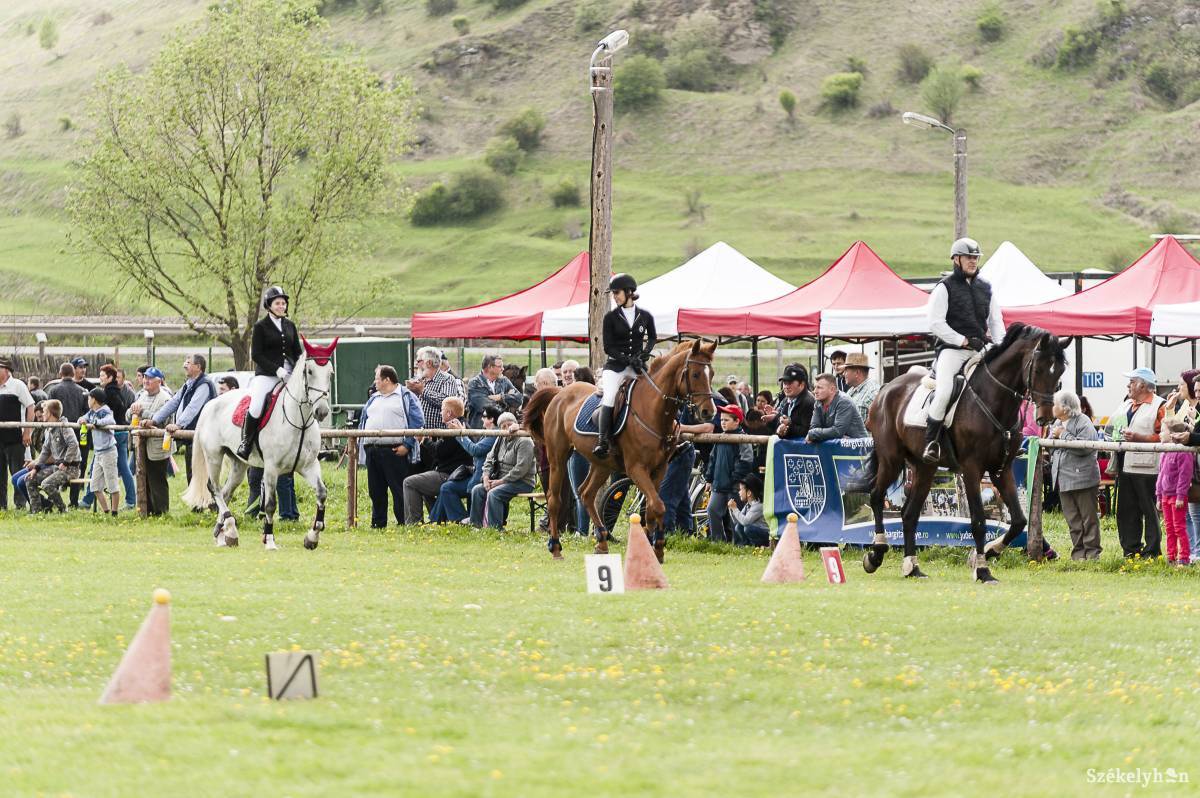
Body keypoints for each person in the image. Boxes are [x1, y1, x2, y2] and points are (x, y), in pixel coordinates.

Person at [923, 237, 1005, 463]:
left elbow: (996, 322)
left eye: (976, 258)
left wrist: (1001, 348)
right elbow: (936, 323)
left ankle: (1005, 436)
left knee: (1000, 385)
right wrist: (962, 341)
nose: (973, 261)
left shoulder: (985, 288)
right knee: (945, 390)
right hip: (952, 350)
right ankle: (931, 442)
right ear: (956, 259)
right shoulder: (944, 287)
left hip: (981, 348)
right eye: (969, 257)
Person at [594, 273, 656, 459]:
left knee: (656, 392)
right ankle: (603, 441)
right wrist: (627, 359)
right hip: (615, 367)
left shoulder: (645, 316)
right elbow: (608, 347)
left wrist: (645, 352)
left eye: (617, 293)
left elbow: (652, 337)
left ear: (629, 292)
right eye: (613, 293)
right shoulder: (610, 318)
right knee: (611, 395)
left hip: (638, 366)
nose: (615, 296)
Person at [239, 286, 302, 460]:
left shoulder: (290, 326)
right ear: (269, 305)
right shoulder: (260, 327)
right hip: (267, 375)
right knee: (257, 405)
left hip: (289, 375)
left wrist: (299, 368)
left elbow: (297, 352)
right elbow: (256, 355)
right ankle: (246, 442)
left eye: (283, 303)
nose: (281, 306)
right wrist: (277, 369)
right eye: (277, 303)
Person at [359, 365, 424, 528]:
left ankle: (404, 522)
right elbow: (364, 420)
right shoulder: (374, 398)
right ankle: (378, 523)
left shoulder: (406, 396)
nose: (375, 382)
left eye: (377, 378)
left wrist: (407, 445)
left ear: (387, 379)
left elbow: (417, 422)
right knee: (376, 490)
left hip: (394, 450)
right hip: (372, 450)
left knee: (398, 489)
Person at [1116, 367, 1165, 559]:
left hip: (1148, 467)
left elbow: (1164, 437)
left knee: (1149, 510)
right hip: (1125, 463)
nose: (1128, 385)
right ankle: (1130, 550)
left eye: (1132, 381)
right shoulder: (1126, 404)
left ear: (1143, 385)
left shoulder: (1159, 405)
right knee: (1126, 510)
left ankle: (1151, 552)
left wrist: (1139, 437)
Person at [403, 396, 474, 525]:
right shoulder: (464, 425)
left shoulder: (454, 428)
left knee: (410, 482)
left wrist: (424, 440)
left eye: (442, 410)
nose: (440, 412)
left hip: (450, 475)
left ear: (449, 413)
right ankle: (437, 520)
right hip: (455, 473)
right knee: (421, 483)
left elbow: (439, 452)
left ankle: (413, 523)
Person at [1049, 390, 1101, 561]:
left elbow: (1086, 447)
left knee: (1088, 519)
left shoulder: (1083, 421)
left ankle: (1092, 554)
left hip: (1083, 479)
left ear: (1065, 407)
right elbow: (1052, 447)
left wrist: (1063, 435)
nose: (1053, 407)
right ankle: (1078, 555)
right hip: (1063, 479)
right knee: (1073, 520)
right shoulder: (1057, 423)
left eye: (1056, 404)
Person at [149, 354, 217, 484]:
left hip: (203, 437)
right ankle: (197, 503)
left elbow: (193, 407)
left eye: (188, 362)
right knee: (192, 473)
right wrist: (154, 420)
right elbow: (173, 402)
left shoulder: (204, 384)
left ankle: (207, 502)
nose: (184, 365)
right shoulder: (189, 384)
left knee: (201, 475)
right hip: (192, 438)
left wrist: (178, 425)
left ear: (198, 367)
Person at [434, 405, 500, 523]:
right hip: (476, 476)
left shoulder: (494, 435)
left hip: (482, 478)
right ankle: (460, 519)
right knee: (447, 487)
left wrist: (461, 434)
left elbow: (474, 450)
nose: (481, 419)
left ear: (491, 419)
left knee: (447, 487)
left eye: (484, 416)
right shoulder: (487, 433)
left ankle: (461, 520)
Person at [469, 412, 536, 529]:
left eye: (509, 424)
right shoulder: (500, 438)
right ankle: (476, 526)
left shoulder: (524, 441)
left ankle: (495, 528)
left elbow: (521, 469)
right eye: (503, 426)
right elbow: (489, 459)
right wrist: (486, 477)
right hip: (500, 479)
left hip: (522, 482)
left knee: (494, 493)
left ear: (515, 424)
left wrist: (500, 482)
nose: (507, 429)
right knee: (477, 490)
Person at [705, 404, 754, 543]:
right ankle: (718, 542)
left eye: (726, 420)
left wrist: (735, 479)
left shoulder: (743, 438)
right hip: (719, 485)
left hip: (735, 486)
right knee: (712, 510)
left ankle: (739, 544)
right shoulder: (720, 438)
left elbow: (746, 461)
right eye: (721, 420)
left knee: (735, 516)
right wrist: (709, 479)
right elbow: (712, 459)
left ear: (737, 421)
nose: (723, 423)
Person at [129, 367, 173, 516]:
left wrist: (143, 413)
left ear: (158, 381)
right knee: (143, 478)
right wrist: (132, 411)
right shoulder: (141, 395)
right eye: (145, 378)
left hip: (158, 446)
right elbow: (129, 414)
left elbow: (163, 420)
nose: (146, 381)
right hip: (142, 445)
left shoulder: (165, 398)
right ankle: (147, 510)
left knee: (157, 480)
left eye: (150, 379)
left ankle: (161, 511)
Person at [26, 399, 80, 514]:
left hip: (70, 468)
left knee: (46, 484)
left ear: (50, 413)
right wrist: (36, 468)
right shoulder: (49, 429)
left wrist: (66, 462)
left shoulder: (64, 426)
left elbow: (73, 444)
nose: (43, 414)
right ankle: (37, 512)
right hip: (57, 467)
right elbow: (45, 451)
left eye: (44, 411)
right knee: (29, 479)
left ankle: (62, 509)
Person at [98, 364, 135, 510]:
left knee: (98, 462)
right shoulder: (115, 390)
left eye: (102, 376)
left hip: (115, 433)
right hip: (122, 431)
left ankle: (88, 498)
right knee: (124, 468)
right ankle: (131, 500)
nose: (100, 378)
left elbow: (113, 411)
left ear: (110, 378)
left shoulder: (109, 392)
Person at [0, 358, 35, 511]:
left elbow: (30, 407)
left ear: (6, 370)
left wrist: (27, 431)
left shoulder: (18, 385)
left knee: (17, 473)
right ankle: (2, 505)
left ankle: (20, 505)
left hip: (15, 438)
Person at [1157, 419, 1193, 566]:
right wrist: (1159, 495)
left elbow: (1184, 476)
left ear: (1172, 434)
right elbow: (1161, 475)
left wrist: (1180, 496)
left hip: (1177, 497)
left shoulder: (1183, 453)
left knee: (1179, 527)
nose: (1159, 434)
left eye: (1162, 431)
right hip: (1165, 495)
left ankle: (1184, 558)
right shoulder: (1165, 452)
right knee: (1169, 528)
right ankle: (1171, 556)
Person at [81, 388, 120, 517]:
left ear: (94, 400)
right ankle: (106, 511)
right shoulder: (91, 412)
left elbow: (110, 421)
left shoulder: (105, 411)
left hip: (108, 452)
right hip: (98, 453)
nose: (87, 400)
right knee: (95, 486)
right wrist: (82, 421)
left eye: (89, 398)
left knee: (112, 482)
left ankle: (114, 512)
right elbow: (82, 418)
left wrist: (96, 423)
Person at [408, 347, 462, 433]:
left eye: (418, 361)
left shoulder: (447, 379)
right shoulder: (418, 380)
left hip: (439, 436)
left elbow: (447, 402)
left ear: (429, 363)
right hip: (418, 435)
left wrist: (423, 391)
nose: (416, 364)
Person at [807, 373, 868, 442]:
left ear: (832, 389)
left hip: (859, 449)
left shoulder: (844, 401)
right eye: (815, 387)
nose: (815, 391)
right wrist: (814, 433)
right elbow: (814, 427)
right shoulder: (818, 402)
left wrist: (813, 434)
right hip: (837, 448)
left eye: (819, 387)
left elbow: (837, 431)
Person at [465, 355, 521, 429]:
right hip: (481, 431)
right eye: (500, 366)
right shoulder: (475, 383)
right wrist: (507, 403)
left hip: (502, 430)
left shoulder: (504, 381)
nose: (503, 369)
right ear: (490, 367)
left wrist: (501, 397)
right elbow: (486, 407)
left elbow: (519, 399)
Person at [768, 363, 814, 440]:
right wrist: (779, 426)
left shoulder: (808, 402)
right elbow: (782, 424)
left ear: (802, 384)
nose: (786, 386)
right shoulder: (787, 400)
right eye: (784, 383)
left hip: (804, 450)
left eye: (790, 383)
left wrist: (788, 426)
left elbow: (808, 431)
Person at [728, 473, 769, 547]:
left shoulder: (758, 505)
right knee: (738, 527)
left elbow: (745, 521)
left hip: (765, 535)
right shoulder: (748, 505)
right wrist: (732, 509)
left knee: (747, 528)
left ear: (749, 493)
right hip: (755, 531)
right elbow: (738, 521)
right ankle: (747, 545)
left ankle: (758, 546)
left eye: (741, 490)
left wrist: (735, 508)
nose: (739, 492)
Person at [842, 354, 879, 423]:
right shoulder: (851, 391)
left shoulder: (873, 393)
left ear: (857, 373)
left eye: (846, 370)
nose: (844, 374)